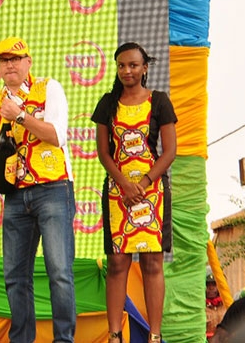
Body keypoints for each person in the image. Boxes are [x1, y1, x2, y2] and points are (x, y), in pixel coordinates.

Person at [0, 37, 76, 343]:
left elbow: (57, 136)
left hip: (53, 189)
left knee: (59, 272)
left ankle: (63, 340)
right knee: (15, 277)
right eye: (4, 60)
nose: (10, 65)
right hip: (15, 196)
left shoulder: (48, 88)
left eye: (16, 59)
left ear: (29, 62)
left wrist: (19, 115)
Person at [91, 42, 177, 343]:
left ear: (144, 68)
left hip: (152, 192)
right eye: (121, 66)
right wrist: (124, 184)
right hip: (117, 191)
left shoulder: (160, 101)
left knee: (153, 262)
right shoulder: (107, 103)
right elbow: (103, 153)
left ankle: (154, 336)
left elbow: (170, 152)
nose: (127, 70)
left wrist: (143, 183)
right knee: (117, 263)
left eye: (133, 65)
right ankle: (115, 336)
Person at [206, 268, 226, 341]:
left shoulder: (228, 306)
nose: (211, 288)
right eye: (207, 285)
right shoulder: (198, 308)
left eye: (214, 284)